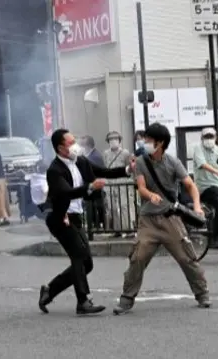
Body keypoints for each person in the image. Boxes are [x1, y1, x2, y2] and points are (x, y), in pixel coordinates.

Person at [113, 123, 210, 315]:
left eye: (149, 140)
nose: (145, 142)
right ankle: (126, 298)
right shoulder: (140, 162)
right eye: (145, 139)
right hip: (148, 220)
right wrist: (150, 195)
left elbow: (190, 185)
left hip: (170, 219)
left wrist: (197, 207)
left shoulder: (173, 162)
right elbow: (140, 187)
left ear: (161, 143)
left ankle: (202, 293)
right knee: (138, 257)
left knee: (186, 257)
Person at [38, 128, 133, 315]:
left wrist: (128, 169)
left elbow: (102, 171)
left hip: (76, 217)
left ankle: (50, 290)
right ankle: (83, 301)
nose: (75, 146)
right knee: (79, 256)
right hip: (60, 218)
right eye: (71, 143)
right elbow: (67, 192)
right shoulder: (54, 170)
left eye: (75, 141)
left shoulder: (80, 161)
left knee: (86, 263)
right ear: (60, 148)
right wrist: (89, 187)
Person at [102, 131, 134, 237]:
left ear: (119, 141)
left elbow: (129, 169)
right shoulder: (106, 153)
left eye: (115, 139)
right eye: (111, 140)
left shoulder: (125, 153)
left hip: (122, 182)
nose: (113, 142)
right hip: (110, 182)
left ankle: (128, 228)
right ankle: (117, 230)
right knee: (112, 207)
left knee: (124, 206)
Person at [80, 135, 106, 232]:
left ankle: (98, 227)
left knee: (97, 207)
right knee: (92, 207)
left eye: (82, 145)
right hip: (91, 186)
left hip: (96, 186)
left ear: (88, 145)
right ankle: (95, 226)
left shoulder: (95, 156)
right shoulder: (88, 155)